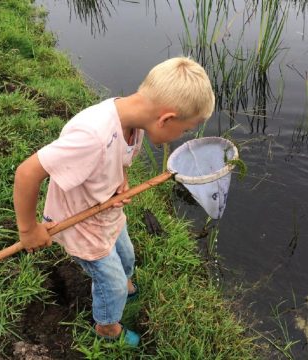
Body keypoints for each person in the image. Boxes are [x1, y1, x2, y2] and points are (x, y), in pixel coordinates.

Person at [13, 57, 215, 347]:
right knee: (112, 283)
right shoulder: (92, 137)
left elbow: (121, 155)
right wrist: (28, 229)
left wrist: (120, 177)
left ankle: (126, 284)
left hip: (105, 209)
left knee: (127, 256)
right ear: (167, 119)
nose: (181, 136)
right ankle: (106, 327)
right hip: (81, 222)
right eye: (184, 130)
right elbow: (27, 172)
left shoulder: (134, 119)